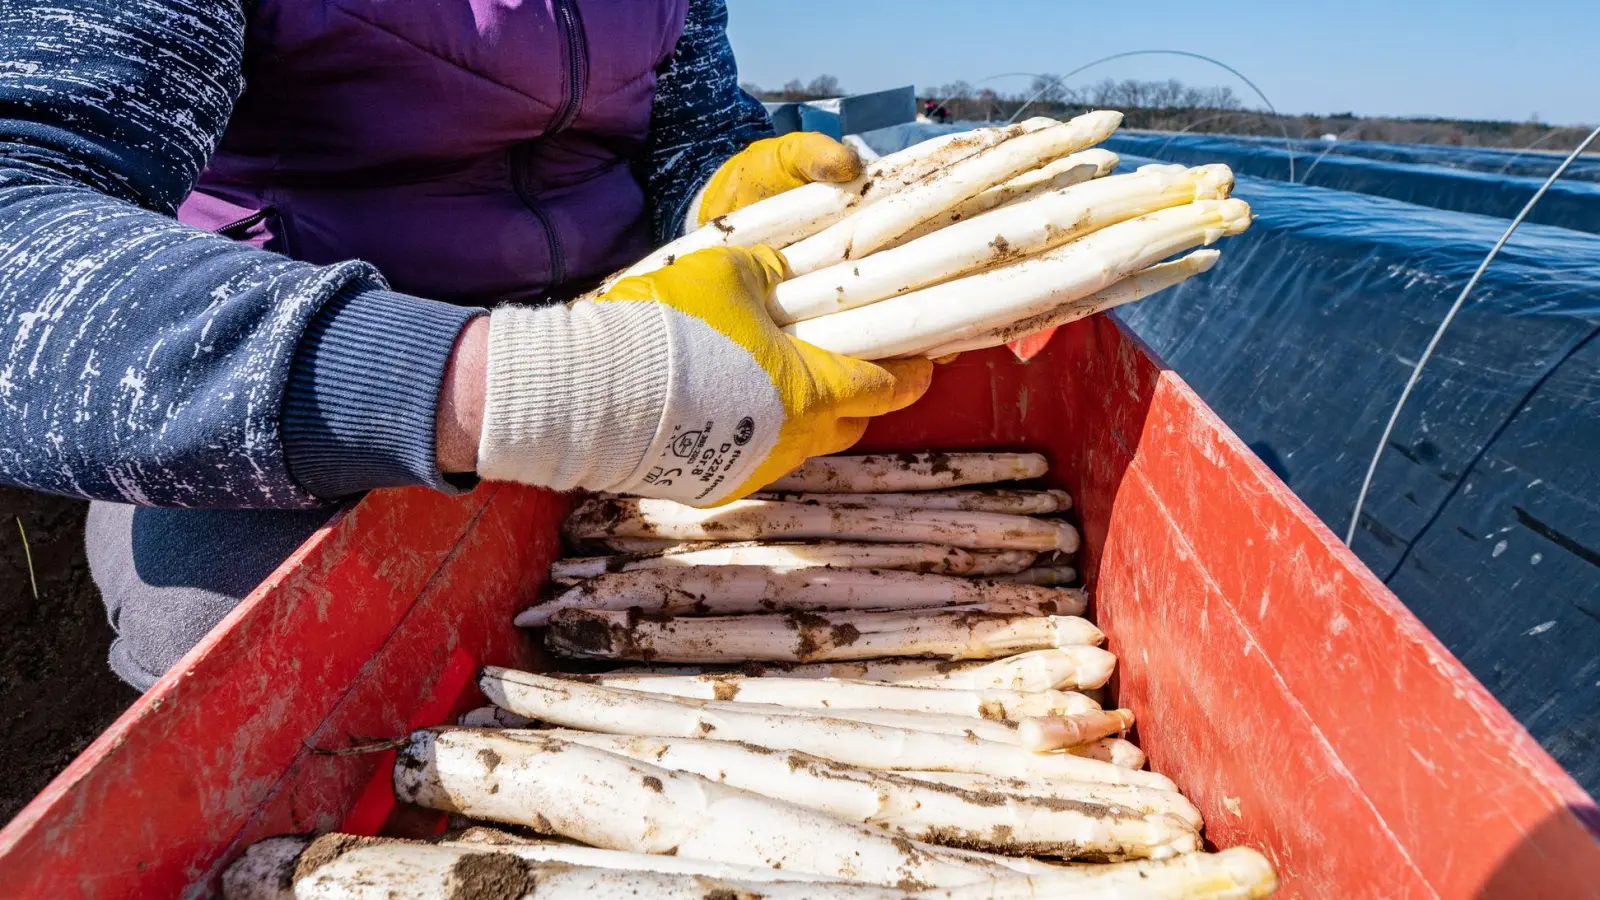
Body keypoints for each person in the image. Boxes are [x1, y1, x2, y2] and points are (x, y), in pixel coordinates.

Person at [0, 0, 932, 690]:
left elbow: (686, 133)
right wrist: (536, 385)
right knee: (237, 639)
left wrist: (718, 191)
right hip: (314, 380)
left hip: (643, 336)